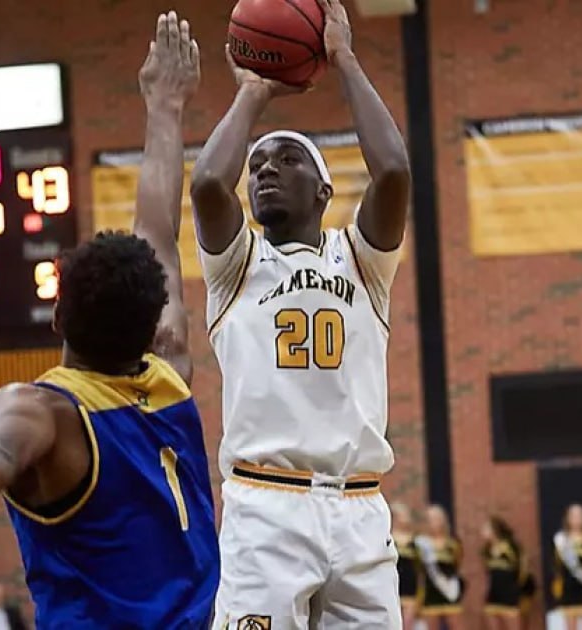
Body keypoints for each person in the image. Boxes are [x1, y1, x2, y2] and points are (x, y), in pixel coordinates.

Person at [0, 12, 219, 628]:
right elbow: (158, 226)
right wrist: (165, 106)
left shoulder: (49, 410)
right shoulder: (172, 366)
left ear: (57, 315)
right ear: (153, 324)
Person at [189, 0, 410, 626]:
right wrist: (253, 94)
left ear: (323, 190)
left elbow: (392, 170)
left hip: (359, 508)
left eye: (287, 161)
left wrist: (343, 59)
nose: (264, 171)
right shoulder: (237, 265)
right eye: (257, 165)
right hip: (266, 506)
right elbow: (208, 184)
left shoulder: (362, 261)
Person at [416, 505, 465, 630]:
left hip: (450, 590)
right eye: (429, 519)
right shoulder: (421, 543)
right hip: (431, 591)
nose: (433, 522)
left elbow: (457, 563)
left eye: (436, 518)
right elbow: (419, 569)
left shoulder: (453, 543)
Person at [481, 516, 532, 630]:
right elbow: (488, 572)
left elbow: (522, 568)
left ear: (495, 530)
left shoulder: (511, 546)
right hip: (493, 594)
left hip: (509, 593)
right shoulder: (487, 550)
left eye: (486, 529)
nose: (483, 532)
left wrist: (517, 587)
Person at [391, 503, 421, 630]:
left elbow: (419, 568)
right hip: (393, 588)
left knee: (408, 624)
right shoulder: (388, 538)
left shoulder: (415, 541)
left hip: (410, 588)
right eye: (404, 515)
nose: (407, 518)